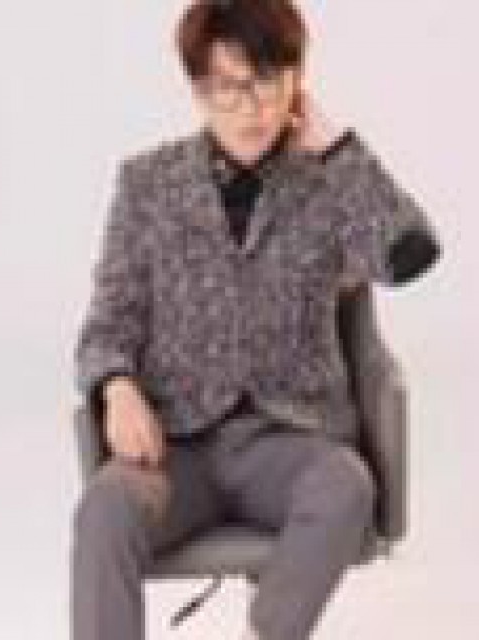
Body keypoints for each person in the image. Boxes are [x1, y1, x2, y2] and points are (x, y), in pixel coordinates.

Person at [70, 2, 442, 639]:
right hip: (176, 449)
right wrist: (117, 387)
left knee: (347, 486)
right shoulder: (146, 185)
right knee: (106, 507)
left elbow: (413, 255)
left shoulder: (330, 185)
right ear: (199, 89)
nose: (252, 108)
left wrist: (338, 149)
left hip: (291, 446)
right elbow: (109, 320)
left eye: (270, 81)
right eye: (230, 87)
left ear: (298, 82)